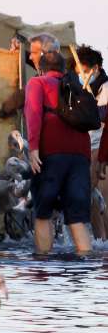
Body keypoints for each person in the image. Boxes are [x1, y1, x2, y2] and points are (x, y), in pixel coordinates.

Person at [26, 50, 103, 254]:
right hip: (81, 155)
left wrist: (33, 148)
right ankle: (85, 262)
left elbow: (33, 114)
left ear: (41, 69)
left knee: (43, 213)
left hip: (52, 153)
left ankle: (43, 262)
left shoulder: (38, 82)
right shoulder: (77, 85)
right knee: (77, 217)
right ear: (63, 68)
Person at [75, 46, 108, 237]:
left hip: (99, 148)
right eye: (79, 72)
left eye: (85, 71)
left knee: (100, 198)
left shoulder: (105, 87)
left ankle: (103, 240)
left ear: (95, 69)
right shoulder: (82, 88)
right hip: (87, 148)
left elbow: (101, 117)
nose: (81, 76)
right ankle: (99, 240)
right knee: (92, 198)